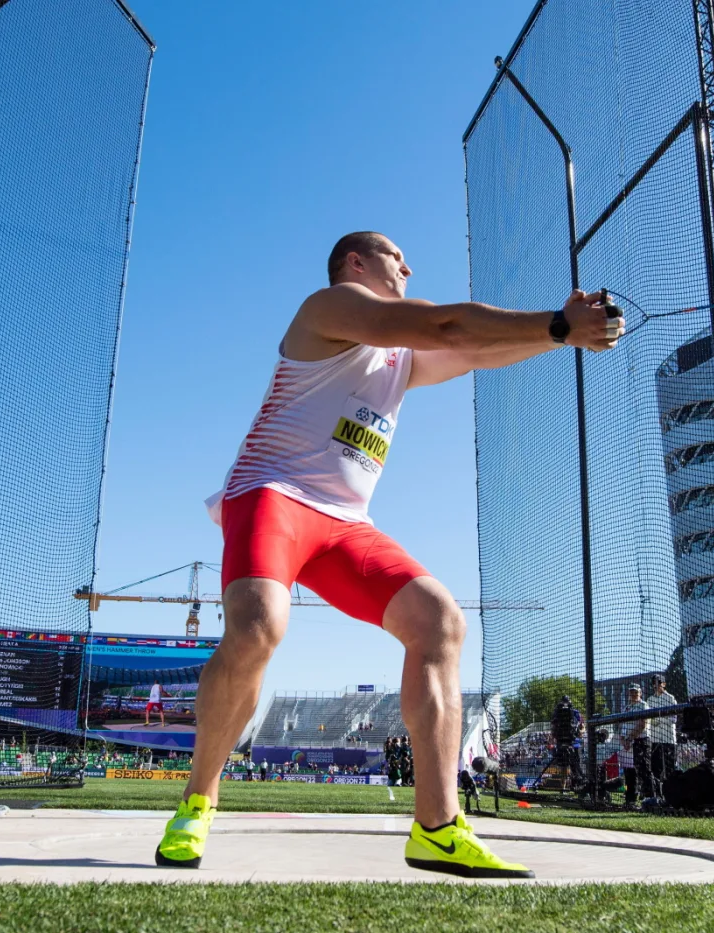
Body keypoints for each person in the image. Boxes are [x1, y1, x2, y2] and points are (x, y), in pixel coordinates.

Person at [154, 231, 623, 877]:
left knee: (439, 619)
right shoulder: (331, 306)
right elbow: (448, 324)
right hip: (274, 495)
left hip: (346, 523)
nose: (406, 263)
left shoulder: (401, 357)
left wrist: (562, 335)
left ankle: (437, 827)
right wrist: (556, 321)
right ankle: (197, 803)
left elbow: (471, 351)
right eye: (393, 255)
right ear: (355, 263)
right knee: (259, 626)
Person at [620, 684, 652, 807]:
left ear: (640, 693)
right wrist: (624, 740)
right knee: (629, 772)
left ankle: (650, 797)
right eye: (631, 692)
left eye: (635, 692)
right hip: (628, 743)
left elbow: (642, 724)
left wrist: (629, 738)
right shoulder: (627, 708)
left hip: (641, 740)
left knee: (644, 769)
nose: (633, 695)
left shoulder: (643, 705)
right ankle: (630, 799)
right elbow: (623, 726)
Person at [646, 676, 678, 794]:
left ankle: (672, 794)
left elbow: (674, 718)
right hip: (655, 739)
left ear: (664, 684)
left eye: (659, 683)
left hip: (668, 738)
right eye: (654, 683)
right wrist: (652, 721)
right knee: (656, 768)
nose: (656, 685)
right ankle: (658, 795)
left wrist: (659, 720)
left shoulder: (670, 698)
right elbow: (647, 719)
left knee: (669, 768)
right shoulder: (649, 700)